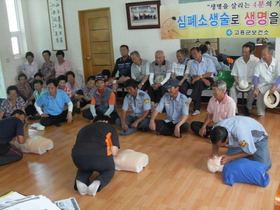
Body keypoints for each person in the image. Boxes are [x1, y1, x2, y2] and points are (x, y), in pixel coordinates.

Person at [71, 115, 120, 196]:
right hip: (100, 157)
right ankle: (98, 182)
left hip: (78, 158)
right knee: (109, 170)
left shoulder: (83, 128)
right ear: (106, 121)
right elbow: (114, 152)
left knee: (84, 169)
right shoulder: (110, 128)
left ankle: (81, 181)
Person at [230, 43, 259, 115]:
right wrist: (237, 82)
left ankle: (248, 106)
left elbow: (258, 74)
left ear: (251, 53)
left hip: (250, 84)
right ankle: (234, 110)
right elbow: (234, 74)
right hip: (239, 83)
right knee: (232, 90)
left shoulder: (256, 61)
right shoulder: (238, 61)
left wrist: (254, 83)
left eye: (246, 52)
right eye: (243, 51)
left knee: (253, 91)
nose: (244, 54)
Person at [254, 45, 280, 120]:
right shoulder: (259, 63)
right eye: (262, 54)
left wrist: (274, 86)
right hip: (264, 84)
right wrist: (256, 87)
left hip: (276, 84)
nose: (263, 56)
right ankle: (260, 113)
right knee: (259, 92)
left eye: (264, 54)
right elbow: (256, 76)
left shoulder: (277, 63)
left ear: (271, 54)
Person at [189, 47, 215, 115]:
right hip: (198, 80)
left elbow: (209, 73)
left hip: (208, 79)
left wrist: (200, 77)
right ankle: (196, 108)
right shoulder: (192, 63)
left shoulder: (208, 61)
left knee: (198, 84)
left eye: (195, 53)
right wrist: (202, 79)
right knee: (198, 84)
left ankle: (193, 101)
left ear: (200, 52)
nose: (194, 55)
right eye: (192, 54)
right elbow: (194, 75)